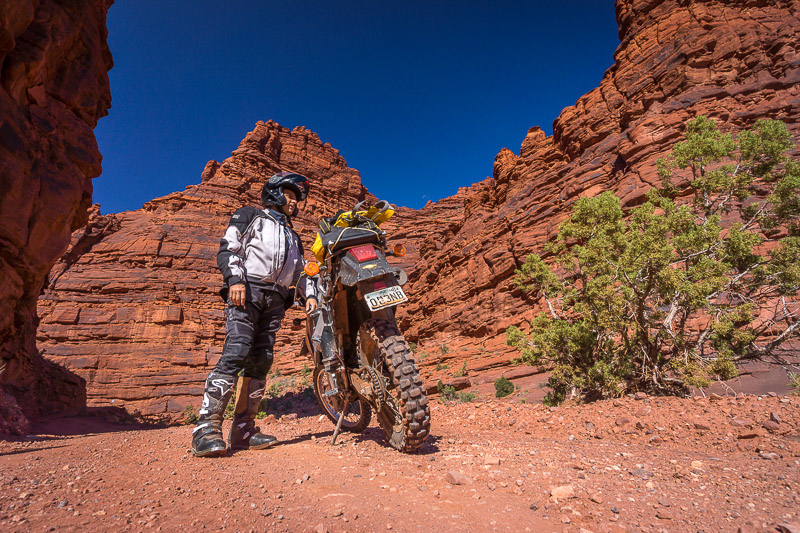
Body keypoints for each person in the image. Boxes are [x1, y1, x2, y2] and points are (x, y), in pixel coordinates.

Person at [191, 171, 318, 457]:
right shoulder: (250, 215)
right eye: (290, 195)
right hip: (247, 292)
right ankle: (206, 429)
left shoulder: (293, 236)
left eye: (297, 198)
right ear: (274, 192)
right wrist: (234, 280)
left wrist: (309, 294)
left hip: (275, 301)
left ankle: (244, 431)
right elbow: (229, 248)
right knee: (236, 352)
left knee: (261, 361)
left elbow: (299, 271)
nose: (294, 202)